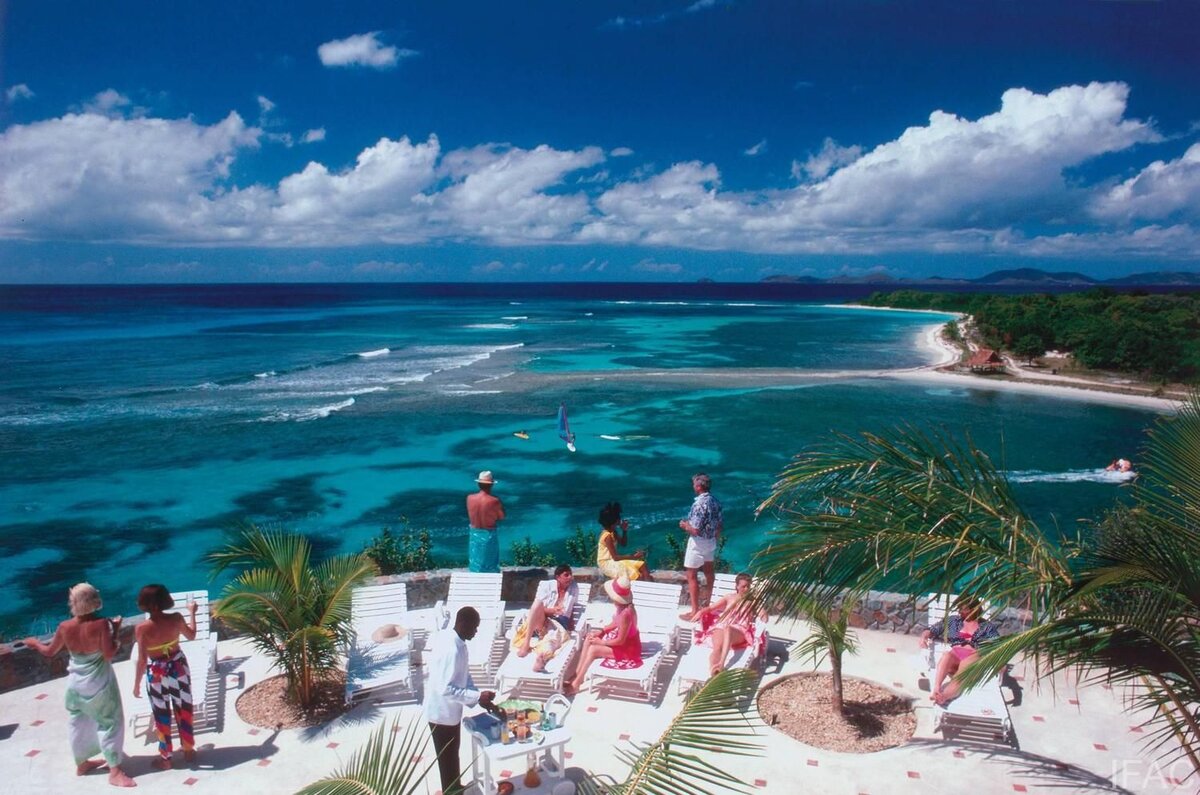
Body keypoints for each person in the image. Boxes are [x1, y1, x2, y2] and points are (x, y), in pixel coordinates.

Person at [23, 583, 136, 788]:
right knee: (110, 722)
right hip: (99, 683)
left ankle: (82, 763)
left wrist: (34, 643)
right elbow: (109, 654)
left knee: (78, 721)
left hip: (75, 684)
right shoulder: (101, 624)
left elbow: (49, 652)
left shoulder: (64, 627)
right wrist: (116, 631)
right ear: (94, 601)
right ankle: (115, 771)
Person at [423, 606, 496, 795]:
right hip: (441, 714)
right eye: (474, 627)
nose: (476, 632)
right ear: (463, 624)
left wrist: (479, 697)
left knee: (452, 755)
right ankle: (451, 791)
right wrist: (477, 696)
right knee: (447, 760)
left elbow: (463, 675)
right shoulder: (452, 650)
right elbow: (446, 688)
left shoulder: (457, 641)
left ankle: (455, 789)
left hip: (450, 712)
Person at [132, 585, 198, 769]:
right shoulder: (176, 618)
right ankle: (188, 750)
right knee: (184, 709)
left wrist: (136, 684)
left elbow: (142, 660)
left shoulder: (142, 628)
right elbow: (192, 635)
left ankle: (166, 758)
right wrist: (192, 613)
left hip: (156, 673)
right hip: (178, 668)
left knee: (161, 715)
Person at [564, 575, 641, 694]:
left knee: (593, 649)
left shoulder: (626, 613)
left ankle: (577, 683)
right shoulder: (622, 607)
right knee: (589, 638)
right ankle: (577, 674)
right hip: (623, 643)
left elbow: (620, 641)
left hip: (628, 649)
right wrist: (602, 631)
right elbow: (615, 622)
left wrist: (602, 642)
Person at [920, 595, 1000, 705]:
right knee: (946, 655)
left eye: (964, 609)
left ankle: (944, 696)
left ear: (974, 609)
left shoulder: (987, 626)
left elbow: (997, 645)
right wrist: (923, 637)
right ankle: (936, 689)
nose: (960, 612)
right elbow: (932, 630)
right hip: (955, 655)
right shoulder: (953, 621)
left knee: (961, 673)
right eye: (959, 608)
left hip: (972, 657)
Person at [691, 573, 767, 678]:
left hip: (740, 630)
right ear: (737, 586)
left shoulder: (752, 601)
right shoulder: (729, 597)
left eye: (748, 586)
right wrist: (700, 612)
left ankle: (721, 664)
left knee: (729, 629)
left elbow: (763, 615)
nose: (746, 589)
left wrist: (763, 617)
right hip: (722, 625)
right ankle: (714, 672)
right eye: (743, 586)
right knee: (717, 648)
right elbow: (711, 608)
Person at [511, 564, 578, 671]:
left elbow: (572, 607)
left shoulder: (573, 587)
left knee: (552, 640)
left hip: (559, 622)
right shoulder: (546, 586)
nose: (570, 577)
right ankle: (526, 643)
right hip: (543, 619)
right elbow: (537, 608)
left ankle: (541, 659)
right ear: (558, 577)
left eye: (571, 574)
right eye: (566, 575)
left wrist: (572, 625)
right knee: (537, 603)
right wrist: (552, 611)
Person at [678, 472, 723, 620]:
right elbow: (719, 525)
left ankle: (694, 611)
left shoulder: (699, 504)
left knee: (691, 575)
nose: (693, 487)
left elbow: (695, 530)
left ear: (698, 487)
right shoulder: (715, 501)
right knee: (709, 572)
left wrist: (684, 525)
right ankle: (707, 606)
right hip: (710, 541)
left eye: (694, 484)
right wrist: (713, 538)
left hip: (698, 543)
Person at [596, 501, 650, 581]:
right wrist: (634, 556)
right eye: (619, 518)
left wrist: (624, 530)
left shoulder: (613, 532)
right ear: (614, 521)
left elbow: (623, 543)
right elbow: (615, 557)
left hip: (613, 561)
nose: (620, 520)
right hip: (607, 563)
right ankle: (641, 586)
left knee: (643, 565)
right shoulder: (607, 536)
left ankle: (649, 587)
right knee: (635, 574)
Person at [466, 470, 505, 573]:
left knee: (475, 565)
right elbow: (501, 517)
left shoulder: (469, 498)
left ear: (478, 484)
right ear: (491, 485)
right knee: (490, 565)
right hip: (489, 534)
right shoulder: (494, 501)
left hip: (474, 534)